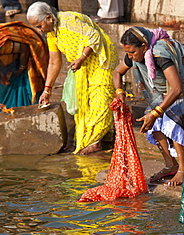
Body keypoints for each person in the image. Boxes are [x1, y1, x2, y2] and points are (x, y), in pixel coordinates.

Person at [113, 26, 184, 186]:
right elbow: (117, 72)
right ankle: (171, 165)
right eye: (128, 53)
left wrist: (156, 112)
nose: (130, 57)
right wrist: (119, 91)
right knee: (153, 119)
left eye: (133, 53)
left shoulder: (160, 54)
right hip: (175, 87)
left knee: (170, 117)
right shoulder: (135, 55)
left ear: (144, 47)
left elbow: (177, 89)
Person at [27, 1, 119, 155]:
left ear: (49, 18)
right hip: (83, 66)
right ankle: (100, 138)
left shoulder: (69, 21)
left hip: (102, 60)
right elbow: (54, 62)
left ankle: (94, 142)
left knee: (100, 99)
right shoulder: (51, 34)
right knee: (86, 105)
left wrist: (82, 58)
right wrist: (47, 90)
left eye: (39, 26)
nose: (39, 30)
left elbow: (95, 37)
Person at [0, 21, 49, 116]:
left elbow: (24, 48)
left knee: (26, 99)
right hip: (7, 68)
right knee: (0, 96)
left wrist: (21, 69)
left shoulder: (0, 46)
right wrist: (1, 74)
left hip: (23, 64)